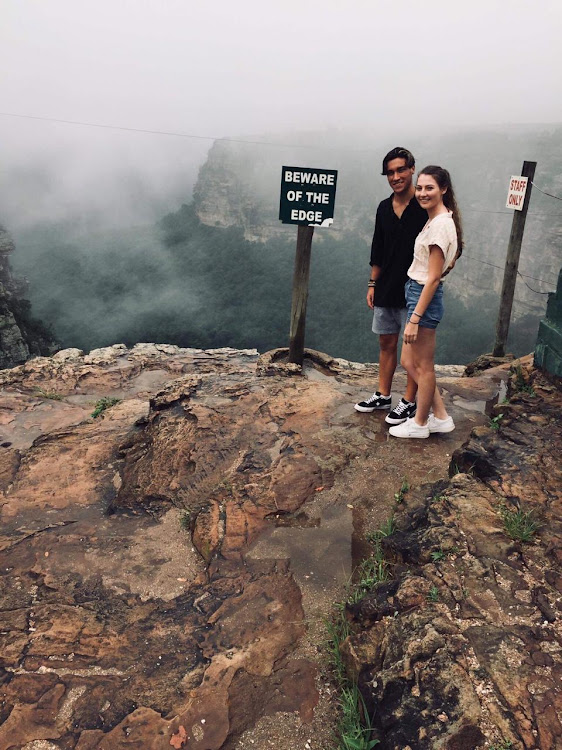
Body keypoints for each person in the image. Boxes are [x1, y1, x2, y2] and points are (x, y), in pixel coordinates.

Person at [388, 165, 462, 439]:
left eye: (429, 188)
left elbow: (432, 279)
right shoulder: (436, 219)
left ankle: (419, 423)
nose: (422, 193)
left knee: (424, 365)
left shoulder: (441, 225)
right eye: (419, 188)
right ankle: (440, 416)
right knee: (409, 361)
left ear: (443, 189)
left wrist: (415, 319)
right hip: (417, 294)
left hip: (423, 298)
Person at [355, 147, 427, 425]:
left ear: (412, 169)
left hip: (414, 288)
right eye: (390, 172)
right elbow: (379, 248)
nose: (395, 176)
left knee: (412, 348)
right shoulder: (384, 208)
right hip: (386, 285)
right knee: (386, 341)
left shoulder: (423, 207)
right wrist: (373, 282)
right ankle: (383, 395)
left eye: (400, 170)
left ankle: (408, 401)